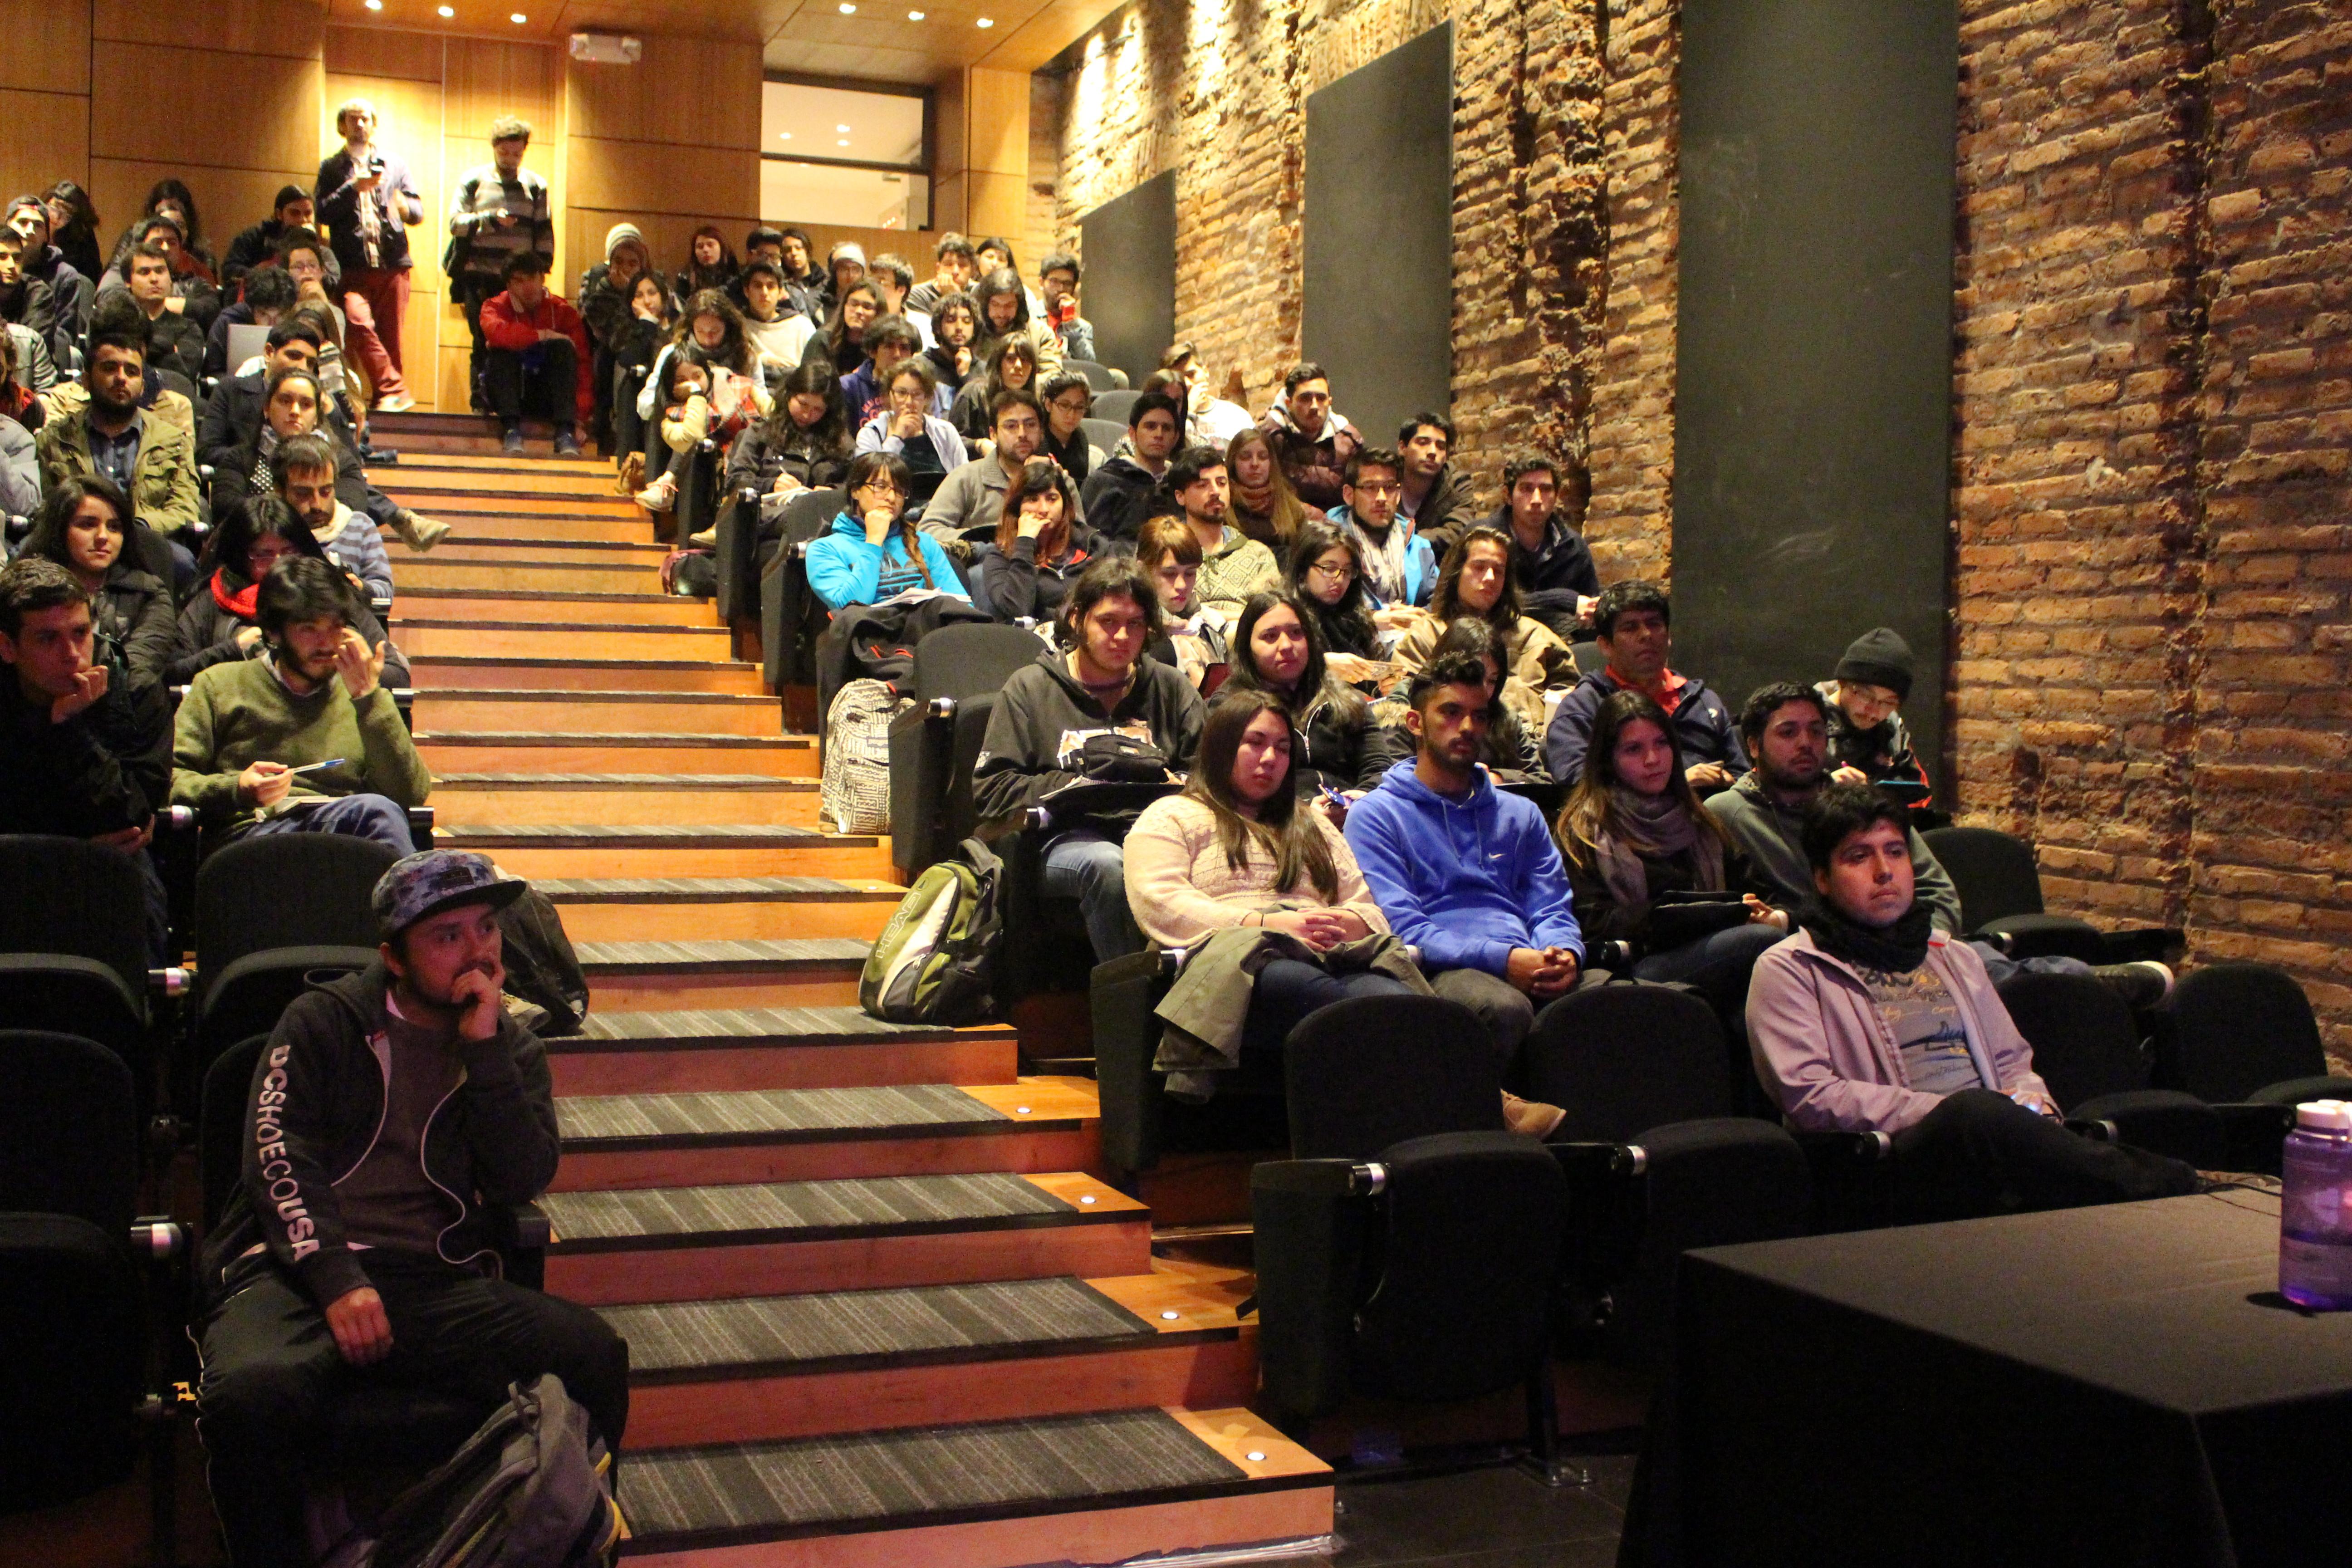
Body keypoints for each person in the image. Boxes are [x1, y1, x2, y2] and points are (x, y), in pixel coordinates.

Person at [194, 848, 630, 1568]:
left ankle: (572, 1544)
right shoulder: (322, 1022)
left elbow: (523, 1174)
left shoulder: (511, 1048)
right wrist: (337, 1279)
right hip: (298, 1269)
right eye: (447, 936)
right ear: (394, 957)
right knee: (251, 1396)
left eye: (486, 928)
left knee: (594, 1356)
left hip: (432, 1275)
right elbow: (277, 1158)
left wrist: (484, 1050)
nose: (478, 952)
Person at [1746, 783, 2197, 1219]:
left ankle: (2153, 1196)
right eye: (1859, 856)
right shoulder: (1792, 968)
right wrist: (1945, 1112)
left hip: (1987, 1135)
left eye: (1895, 851)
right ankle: (2171, 1184)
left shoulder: (1953, 955)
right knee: (1977, 1113)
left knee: (2038, 1122)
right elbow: (1811, 1096)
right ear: (1822, 879)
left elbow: (2012, 1060)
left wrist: (2031, 1103)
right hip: (1883, 1163)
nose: (1884, 871)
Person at [1123, 688, 1407, 1078]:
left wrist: (1339, 924)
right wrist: (1266, 924)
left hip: (1328, 954)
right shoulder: (1172, 815)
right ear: (1222, 748)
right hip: (1236, 961)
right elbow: (1161, 904)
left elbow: (1366, 907)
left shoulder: (1313, 824)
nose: (1271, 759)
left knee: (1399, 1002)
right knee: (1311, 990)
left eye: (1283, 748)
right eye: (1255, 743)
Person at [1344, 652, 1583, 1085]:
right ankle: (1493, 1141)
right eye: (1451, 713)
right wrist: (1505, 960)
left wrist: (1562, 953)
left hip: (1531, 954)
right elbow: (1404, 929)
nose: (1468, 727)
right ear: (1416, 723)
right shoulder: (1376, 816)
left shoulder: (1521, 812)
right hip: (1439, 967)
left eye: (1479, 716)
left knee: (1616, 1002)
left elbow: (1551, 907)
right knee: (1502, 1008)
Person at [973, 556, 1204, 960]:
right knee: (1108, 864)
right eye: (1108, 622)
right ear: (1078, 619)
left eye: (1134, 625)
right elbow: (992, 789)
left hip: (1155, 834)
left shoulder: (1169, 687)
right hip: (1066, 840)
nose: (1121, 636)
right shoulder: (1031, 689)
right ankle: (1131, 999)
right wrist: (1078, 785)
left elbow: (1209, 776)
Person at [1556, 689, 1787, 1023]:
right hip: (1635, 965)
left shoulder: (1700, 821)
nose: (1653, 759)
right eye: (1634, 749)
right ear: (1608, 759)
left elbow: (1760, 890)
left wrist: (1764, 912)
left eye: (1662, 744)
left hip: (1713, 954)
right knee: (1760, 942)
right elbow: (1593, 924)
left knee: (1751, 1009)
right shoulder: (1585, 832)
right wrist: (1687, 920)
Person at [172, 552, 429, 853]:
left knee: (380, 817)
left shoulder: (360, 695)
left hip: (345, 832)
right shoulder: (219, 685)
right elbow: (171, 780)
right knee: (373, 815)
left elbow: (412, 794)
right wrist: (238, 788)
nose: (326, 644)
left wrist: (369, 699)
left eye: (336, 627)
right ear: (273, 632)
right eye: (309, 629)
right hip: (250, 836)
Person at [0, 558, 172, 961]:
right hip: (13, 863)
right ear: (7, 647)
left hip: (109, 864)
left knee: (132, 877)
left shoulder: (136, 691)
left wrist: (71, 729)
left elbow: (133, 819)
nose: (72, 654)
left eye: (81, 633)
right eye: (47, 639)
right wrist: (60, 846)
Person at [171, 499, 406, 688]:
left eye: (289, 552)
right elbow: (170, 672)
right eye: (263, 555)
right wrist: (232, 651)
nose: (278, 564)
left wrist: (351, 668)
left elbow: (397, 675)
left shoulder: (333, 592)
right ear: (242, 557)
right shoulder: (214, 596)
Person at [1543, 579, 1746, 789]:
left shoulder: (1702, 701)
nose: (1646, 635)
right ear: (1605, 646)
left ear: (1669, 636)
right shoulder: (1584, 707)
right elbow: (1579, 787)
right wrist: (1678, 786)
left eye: (1654, 624)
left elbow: (1743, 779)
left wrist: (1726, 782)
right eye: (1630, 628)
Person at [35, 320, 202, 562]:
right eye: (110, 368)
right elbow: (43, 506)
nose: (122, 378)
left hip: (145, 542)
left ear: (143, 386)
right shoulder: (57, 438)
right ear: (86, 380)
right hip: (73, 545)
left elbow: (185, 509)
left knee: (182, 562)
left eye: (132, 372)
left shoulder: (172, 440)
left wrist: (134, 527)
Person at [1391, 526, 1575, 731]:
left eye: (1498, 571)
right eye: (1479, 567)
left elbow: (1573, 699)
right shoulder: (1424, 637)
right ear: (1457, 573)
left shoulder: (1536, 637)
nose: (1490, 578)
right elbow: (1403, 705)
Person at [20, 475, 179, 690]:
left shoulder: (149, 593)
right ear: (60, 530)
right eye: (88, 525)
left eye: (114, 527)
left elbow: (137, 670)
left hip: (121, 708)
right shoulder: (27, 592)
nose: (103, 537)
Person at [314, 98, 422, 412]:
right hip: (352, 268)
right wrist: (353, 188)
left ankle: (387, 402)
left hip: (393, 265)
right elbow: (321, 211)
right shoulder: (332, 168)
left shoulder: (395, 165)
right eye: (353, 119)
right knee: (357, 322)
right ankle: (395, 390)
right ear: (342, 126)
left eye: (365, 119)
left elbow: (417, 211)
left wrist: (404, 207)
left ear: (373, 125)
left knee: (392, 340)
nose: (360, 125)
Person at [1221, 591, 1382, 796]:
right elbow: (1226, 785)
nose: (1287, 646)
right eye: (1270, 636)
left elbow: (1378, 769)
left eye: (1296, 633)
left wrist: (1362, 801)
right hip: (1273, 821)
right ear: (1248, 648)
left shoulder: (1347, 700)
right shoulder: (1228, 707)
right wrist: (1303, 813)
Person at [448, 116, 554, 410]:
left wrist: (541, 273)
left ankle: (513, 403)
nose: (510, 159)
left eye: (517, 154)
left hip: (519, 281)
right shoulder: (474, 180)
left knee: (519, 342)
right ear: (494, 148)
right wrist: (490, 220)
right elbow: (455, 224)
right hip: (480, 275)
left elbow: (544, 231)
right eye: (504, 153)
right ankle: (480, 402)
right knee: (483, 341)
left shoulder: (536, 185)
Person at [1361, 617, 1548, 781]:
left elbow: (1542, 781)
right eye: (1474, 676)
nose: (1482, 689)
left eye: (1492, 680)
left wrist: (1498, 778)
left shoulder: (1503, 717)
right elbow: (1391, 776)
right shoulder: (1405, 709)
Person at [806, 451, 966, 614]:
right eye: (881, 487)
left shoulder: (923, 543)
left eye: (899, 491)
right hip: (868, 634)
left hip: (924, 633)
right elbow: (850, 607)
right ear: (855, 491)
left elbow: (961, 605)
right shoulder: (824, 549)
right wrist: (874, 542)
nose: (891, 497)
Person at [725, 359, 854, 539]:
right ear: (789, 395)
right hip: (769, 518)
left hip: (825, 517)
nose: (808, 415)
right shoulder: (761, 433)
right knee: (802, 519)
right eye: (802, 404)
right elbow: (735, 480)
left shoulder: (840, 443)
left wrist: (830, 494)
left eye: (818, 410)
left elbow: (853, 487)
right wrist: (772, 485)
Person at [478, 252, 588, 456]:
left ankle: (565, 432)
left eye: (532, 279)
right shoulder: (494, 307)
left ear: (542, 279)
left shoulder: (563, 311)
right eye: (519, 281)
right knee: (501, 351)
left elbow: (582, 365)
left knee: (563, 347)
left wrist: (579, 419)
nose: (527, 287)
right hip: (509, 393)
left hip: (548, 394)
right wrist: (542, 335)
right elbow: (498, 333)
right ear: (509, 285)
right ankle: (511, 430)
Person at [971, 458, 1102, 622]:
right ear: (1017, 507)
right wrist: (1025, 542)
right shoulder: (1001, 559)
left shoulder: (1094, 546)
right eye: (1033, 500)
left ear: (1065, 505)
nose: (1044, 510)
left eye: (1052, 499)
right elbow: (1018, 611)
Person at [918, 388, 1056, 543]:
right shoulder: (966, 477)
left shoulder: (1057, 479)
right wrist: (980, 540)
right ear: (993, 434)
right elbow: (927, 529)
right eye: (1011, 427)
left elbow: (1080, 534)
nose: (1022, 434)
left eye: (1030, 425)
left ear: (1041, 431)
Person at [1492, 448, 1599, 641]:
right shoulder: (1484, 539)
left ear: (1557, 496)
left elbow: (1591, 610)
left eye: (1546, 489)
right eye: (1526, 489)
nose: (1536, 500)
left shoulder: (1573, 547)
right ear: (1508, 495)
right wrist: (1566, 600)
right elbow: (1489, 604)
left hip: (1562, 645)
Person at [1821, 627, 1932, 799]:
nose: (1874, 711)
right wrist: (1824, 788)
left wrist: (1871, 792)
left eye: (1888, 702)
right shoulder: (1804, 721)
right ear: (1842, 683)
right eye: (1866, 696)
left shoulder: (1893, 727)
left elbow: (1919, 793)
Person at [1164, 445, 1279, 611]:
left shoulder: (1258, 554)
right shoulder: (1165, 551)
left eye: (1222, 483)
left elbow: (1272, 617)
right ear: (1180, 497)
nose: (1216, 492)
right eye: (1203, 485)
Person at [1328, 446, 1437, 610]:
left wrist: (1415, 619)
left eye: (1389, 487)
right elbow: (1321, 610)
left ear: (1399, 494)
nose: (1382, 498)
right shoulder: (1328, 547)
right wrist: (1372, 621)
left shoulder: (1420, 548)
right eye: (1370, 488)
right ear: (1349, 495)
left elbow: (1438, 603)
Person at [577, 223, 657, 444]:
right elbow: (614, 337)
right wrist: (622, 294)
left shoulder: (655, 287)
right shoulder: (599, 292)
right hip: (614, 354)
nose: (626, 268)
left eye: (633, 263)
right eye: (619, 262)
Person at [855, 358, 967, 510]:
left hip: (940, 511)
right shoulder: (870, 434)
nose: (909, 402)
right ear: (889, 395)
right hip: (888, 511)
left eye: (917, 394)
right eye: (901, 393)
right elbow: (869, 485)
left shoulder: (946, 432)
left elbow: (964, 480)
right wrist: (897, 437)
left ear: (927, 398)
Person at [1137, 514, 1229, 691]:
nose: (1182, 585)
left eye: (1190, 573)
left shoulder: (1209, 626)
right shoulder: (1134, 631)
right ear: (1143, 571)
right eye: (1169, 574)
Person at [1079, 390, 1182, 546]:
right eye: (1150, 427)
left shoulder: (1180, 484)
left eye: (1167, 428)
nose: (1159, 434)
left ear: (1175, 438)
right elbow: (1090, 544)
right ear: (1132, 434)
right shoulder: (1104, 482)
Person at [1284, 520, 1384, 673]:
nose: (1340, 580)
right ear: (1303, 570)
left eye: (1347, 571)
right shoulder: (1282, 616)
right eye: (1330, 569)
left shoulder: (1352, 619)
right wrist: (1323, 664)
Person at [1259, 363, 1359, 511]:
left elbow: (1356, 499)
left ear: (1330, 402)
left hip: (1334, 529)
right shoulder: (1267, 437)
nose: (1314, 406)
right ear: (1289, 403)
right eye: (1305, 398)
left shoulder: (1349, 443)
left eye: (1321, 398)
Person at [5, 195, 93, 355]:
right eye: (23, 223)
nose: (30, 231)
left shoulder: (64, 275)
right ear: (7, 226)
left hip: (44, 349)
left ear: (46, 235)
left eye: (38, 225)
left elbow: (65, 336)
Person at [117, 240, 209, 384]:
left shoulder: (188, 329)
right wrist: (168, 349)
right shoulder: (116, 322)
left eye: (160, 271)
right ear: (128, 281)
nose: (154, 279)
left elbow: (184, 378)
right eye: (144, 272)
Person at [1394, 413, 1480, 559]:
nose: (1433, 452)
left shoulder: (1457, 483)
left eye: (1441, 446)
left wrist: (1407, 538)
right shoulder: (1386, 479)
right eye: (1423, 443)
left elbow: (1458, 532)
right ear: (1403, 448)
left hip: (1437, 569)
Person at [1226, 425, 1323, 548]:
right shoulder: (1224, 505)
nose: (1255, 464)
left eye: (1262, 457)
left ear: (1271, 462)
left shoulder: (1290, 505)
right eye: (1246, 457)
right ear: (1233, 462)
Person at [203, 262, 297, 380]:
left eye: (280, 316)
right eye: (264, 314)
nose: (272, 323)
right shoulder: (228, 321)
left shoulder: (297, 325)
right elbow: (213, 372)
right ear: (251, 309)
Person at [970, 265, 1063, 378]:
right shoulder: (973, 332)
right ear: (986, 305)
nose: (1001, 313)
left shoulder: (1041, 333)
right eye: (995, 305)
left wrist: (1018, 385)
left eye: (1009, 306)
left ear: (1019, 305)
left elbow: (1052, 376)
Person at [220, 185, 317, 290]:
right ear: (279, 214)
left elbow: (331, 277)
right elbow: (229, 270)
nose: (303, 220)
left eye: (308, 214)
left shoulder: (316, 243)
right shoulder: (255, 236)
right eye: (295, 213)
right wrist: (259, 272)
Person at [839, 314, 926, 424]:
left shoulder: (921, 387)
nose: (897, 355)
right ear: (873, 351)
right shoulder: (848, 387)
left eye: (904, 348)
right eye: (889, 346)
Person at [738, 258, 819, 374]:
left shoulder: (802, 326)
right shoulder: (737, 325)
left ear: (781, 292)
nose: (765, 293)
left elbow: (815, 369)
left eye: (771, 287)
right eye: (758, 286)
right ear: (746, 291)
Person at [0, 227, 59, 366]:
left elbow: (25, 350)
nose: (12, 265)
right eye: (2, 257)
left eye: (17, 258)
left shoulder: (38, 293)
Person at [1039, 372, 1102, 483]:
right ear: (1048, 405)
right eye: (1064, 405)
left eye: (1079, 407)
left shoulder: (1095, 458)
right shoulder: (1033, 447)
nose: (1072, 415)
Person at [812, 280, 884, 377]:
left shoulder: (883, 347)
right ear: (844, 307)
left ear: (878, 313)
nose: (859, 311)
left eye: (867, 307)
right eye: (854, 304)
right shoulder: (822, 340)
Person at [1037, 251, 1096, 363]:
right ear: (1041, 283)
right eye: (1054, 282)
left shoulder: (1083, 327)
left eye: (1067, 284)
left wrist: (1071, 323)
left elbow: (1089, 364)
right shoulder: (1028, 317)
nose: (1060, 289)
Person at [44, 180, 104, 285]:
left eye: (65, 212)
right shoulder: (33, 226)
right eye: (55, 207)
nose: (57, 216)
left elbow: (90, 280)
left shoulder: (81, 239)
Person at [923, 291, 982, 397]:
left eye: (967, 321)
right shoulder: (922, 367)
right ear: (938, 327)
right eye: (951, 320)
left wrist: (965, 376)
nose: (959, 327)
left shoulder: (984, 371)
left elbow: (985, 412)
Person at [905, 232, 977, 316]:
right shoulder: (919, 294)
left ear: (972, 270)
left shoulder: (980, 292)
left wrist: (956, 297)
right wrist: (950, 298)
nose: (955, 271)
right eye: (949, 264)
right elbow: (928, 328)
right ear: (938, 268)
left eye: (962, 265)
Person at [674, 225, 739, 316]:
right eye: (700, 247)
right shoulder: (686, 278)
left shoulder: (735, 277)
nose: (705, 250)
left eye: (710, 245)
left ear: (722, 247)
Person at [821, 240, 867, 318]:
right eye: (844, 269)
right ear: (834, 273)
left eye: (856, 270)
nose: (850, 275)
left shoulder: (869, 304)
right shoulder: (821, 302)